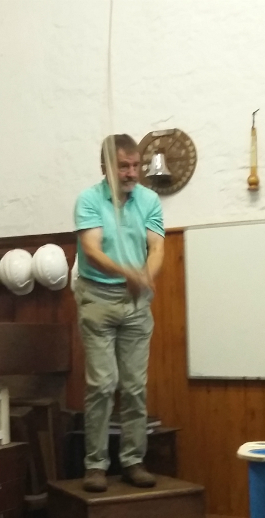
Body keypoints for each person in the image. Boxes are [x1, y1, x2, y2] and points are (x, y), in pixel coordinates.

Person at [73, 134, 165, 493]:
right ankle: (95, 465)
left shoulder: (150, 200)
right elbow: (92, 250)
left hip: (135, 303)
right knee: (102, 384)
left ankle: (133, 461)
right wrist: (129, 274)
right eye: (123, 166)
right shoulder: (89, 200)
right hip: (97, 297)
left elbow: (156, 247)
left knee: (134, 386)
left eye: (135, 165)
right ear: (105, 168)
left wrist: (146, 276)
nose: (131, 173)